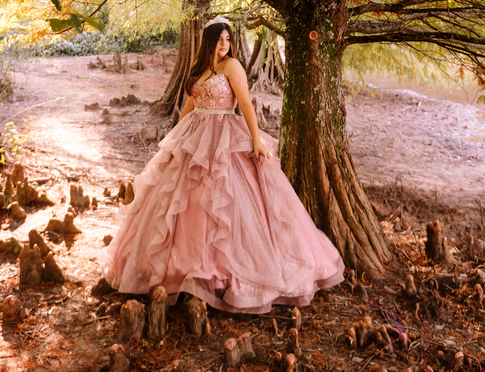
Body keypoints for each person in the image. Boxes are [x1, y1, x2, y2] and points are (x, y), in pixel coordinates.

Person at [102, 17, 345, 314]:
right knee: (184, 203)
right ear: (208, 41)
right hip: (195, 134)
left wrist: (256, 140)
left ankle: (222, 276)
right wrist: (177, 139)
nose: (224, 44)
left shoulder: (232, 66)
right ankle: (183, 272)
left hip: (226, 134)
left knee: (226, 201)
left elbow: (244, 104)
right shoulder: (199, 69)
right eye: (219, 39)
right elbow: (190, 105)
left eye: (228, 39)